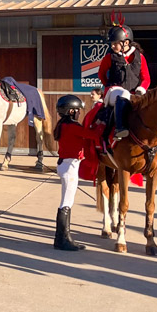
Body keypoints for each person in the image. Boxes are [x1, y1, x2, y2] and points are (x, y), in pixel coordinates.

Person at [53, 94, 102, 251]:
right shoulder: (73, 127)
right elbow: (94, 136)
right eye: (77, 110)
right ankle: (62, 240)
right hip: (70, 166)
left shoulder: (63, 125)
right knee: (66, 203)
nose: (79, 113)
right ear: (71, 111)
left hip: (66, 165)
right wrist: (101, 125)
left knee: (66, 202)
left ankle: (63, 238)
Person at [97, 21, 150, 141]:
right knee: (124, 94)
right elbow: (101, 74)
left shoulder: (140, 57)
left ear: (126, 42)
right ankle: (120, 129)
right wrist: (109, 87)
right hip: (114, 91)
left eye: (115, 43)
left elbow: (146, 78)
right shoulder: (109, 57)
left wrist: (141, 89)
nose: (112, 46)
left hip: (135, 93)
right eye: (112, 43)